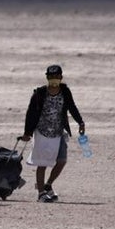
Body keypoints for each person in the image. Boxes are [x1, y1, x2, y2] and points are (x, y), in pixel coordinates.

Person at [22, 64, 85, 203]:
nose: (54, 80)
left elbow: (72, 107)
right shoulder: (39, 93)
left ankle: (47, 184)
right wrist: (27, 132)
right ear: (47, 78)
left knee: (62, 161)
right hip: (42, 132)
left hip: (58, 132)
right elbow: (31, 114)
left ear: (61, 77)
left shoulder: (65, 91)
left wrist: (80, 122)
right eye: (51, 77)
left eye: (57, 77)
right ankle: (41, 194)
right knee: (42, 163)